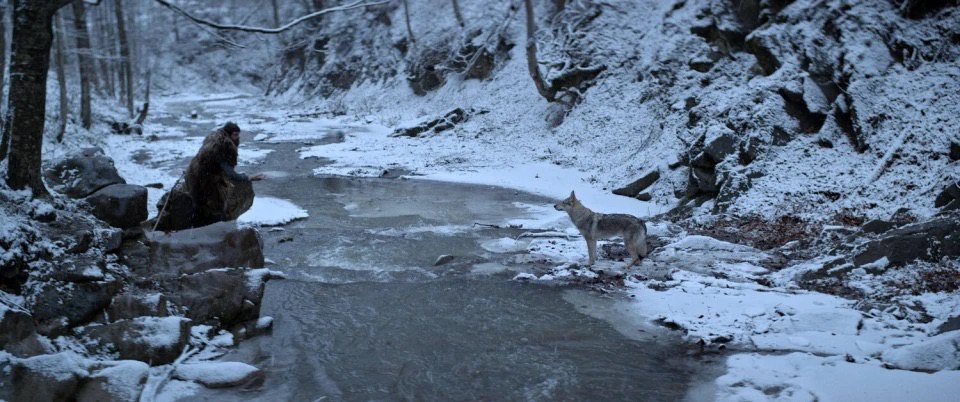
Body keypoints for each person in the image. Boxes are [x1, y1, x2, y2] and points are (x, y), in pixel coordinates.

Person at [182, 121, 265, 227]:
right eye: (235, 135)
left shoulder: (214, 139)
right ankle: (208, 229)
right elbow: (231, 174)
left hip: (194, 172)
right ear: (229, 134)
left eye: (238, 134)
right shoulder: (223, 147)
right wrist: (249, 177)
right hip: (203, 178)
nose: (238, 137)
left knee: (201, 203)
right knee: (212, 206)